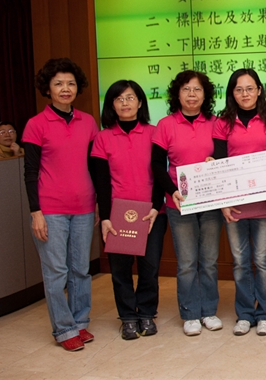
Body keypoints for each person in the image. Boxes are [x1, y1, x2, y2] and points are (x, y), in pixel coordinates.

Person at [22, 58, 98, 351]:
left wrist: (97, 204)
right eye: (58, 84)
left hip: (84, 207)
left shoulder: (88, 122)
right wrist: (36, 212)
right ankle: (64, 330)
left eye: (70, 83)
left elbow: (94, 167)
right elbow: (30, 172)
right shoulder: (36, 125)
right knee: (56, 271)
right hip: (50, 209)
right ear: (48, 88)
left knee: (80, 269)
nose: (65, 89)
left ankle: (80, 322)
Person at [90, 80, 167, 340]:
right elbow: (101, 181)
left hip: (152, 213)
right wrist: (106, 217)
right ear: (112, 104)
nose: (125, 103)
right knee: (121, 270)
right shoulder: (102, 138)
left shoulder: (154, 133)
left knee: (150, 267)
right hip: (117, 215)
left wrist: (156, 207)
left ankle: (146, 313)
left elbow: (160, 173)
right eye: (119, 98)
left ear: (140, 102)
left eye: (130, 97)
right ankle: (128, 317)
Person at [211, 69, 266, 337]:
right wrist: (224, 202)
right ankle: (244, 314)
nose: (245, 94)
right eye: (239, 89)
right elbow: (219, 163)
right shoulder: (222, 123)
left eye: (250, 88)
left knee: (263, 259)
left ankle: (265, 313)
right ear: (232, 93)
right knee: (240, 260)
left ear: (259, 90)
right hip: (235, 203)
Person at [151, 70, 222, 336]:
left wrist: (217, 162)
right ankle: (190, 313)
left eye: (197, 89)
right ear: (177, 94)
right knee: (187, 262)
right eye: (186, 89)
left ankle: (209, 310)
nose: (192, 94)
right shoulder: (165, 125)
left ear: (206, 95)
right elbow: (157, 164)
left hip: (211, 202)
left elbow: (226, 157)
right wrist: (171, 191)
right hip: (179, 203)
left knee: (209, 260)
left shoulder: (216, 123)